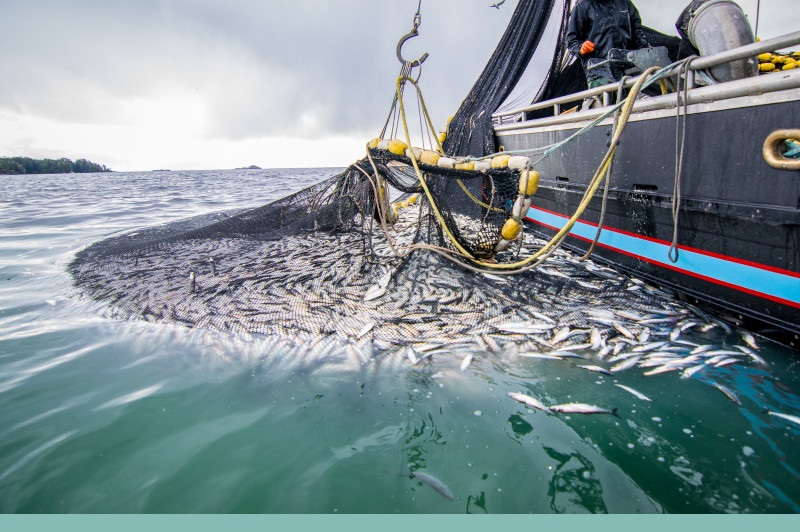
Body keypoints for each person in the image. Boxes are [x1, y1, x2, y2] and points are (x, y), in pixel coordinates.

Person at [566, 0, 650, 88]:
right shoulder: (581, 7)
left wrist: (644, 51)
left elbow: (638, 33)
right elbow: (571, 41)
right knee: (607, 100)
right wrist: (581, 48)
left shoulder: (625, 3)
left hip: (629, 70)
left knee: (635, 98)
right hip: (598, 75)